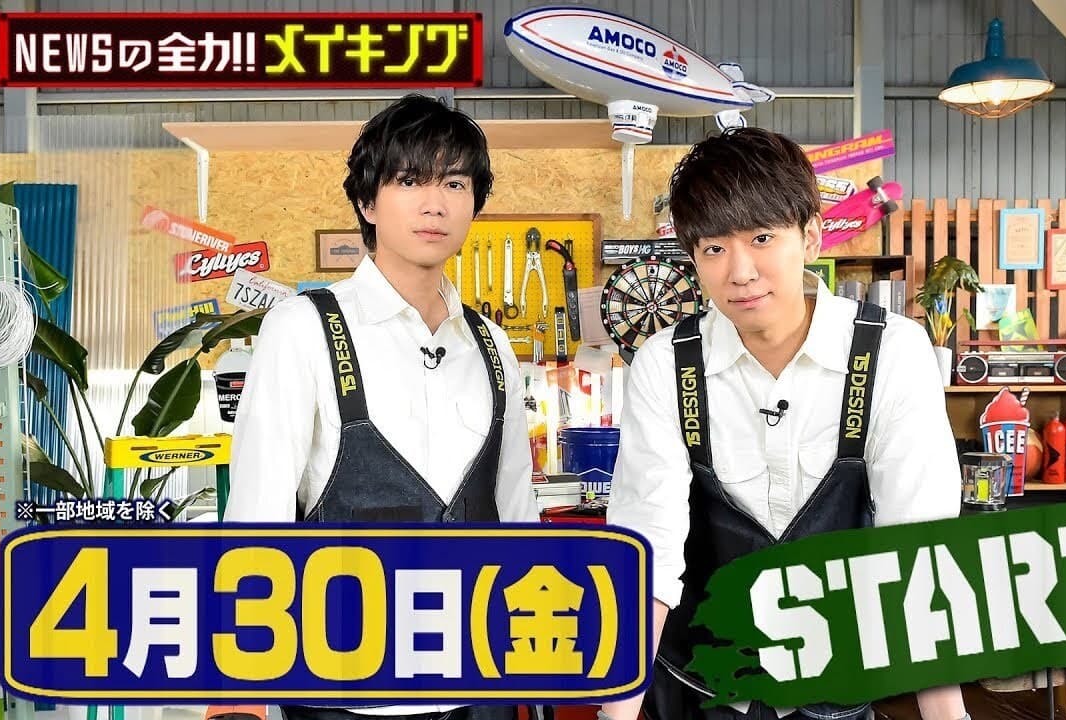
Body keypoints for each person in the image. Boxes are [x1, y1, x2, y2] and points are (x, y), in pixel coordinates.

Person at [600, 127, 969, 720]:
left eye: (762, 238)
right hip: (699, 687)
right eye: (713, 249)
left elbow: (918, 549)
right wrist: (615, 714)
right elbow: (649, 550)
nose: (740, 271)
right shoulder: (666, 363)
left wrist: (946, 713)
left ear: (811, 236)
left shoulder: (890, 353)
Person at [226, 94, 541, 720]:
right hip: (345, 688)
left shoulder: (490, 342)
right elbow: (257, 514)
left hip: (482, 683)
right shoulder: (304, 328)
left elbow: (515, 511)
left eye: (455, 183)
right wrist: (240, 689)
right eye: (410, 181)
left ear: (474, 203)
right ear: (368, 203)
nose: (435, 203)